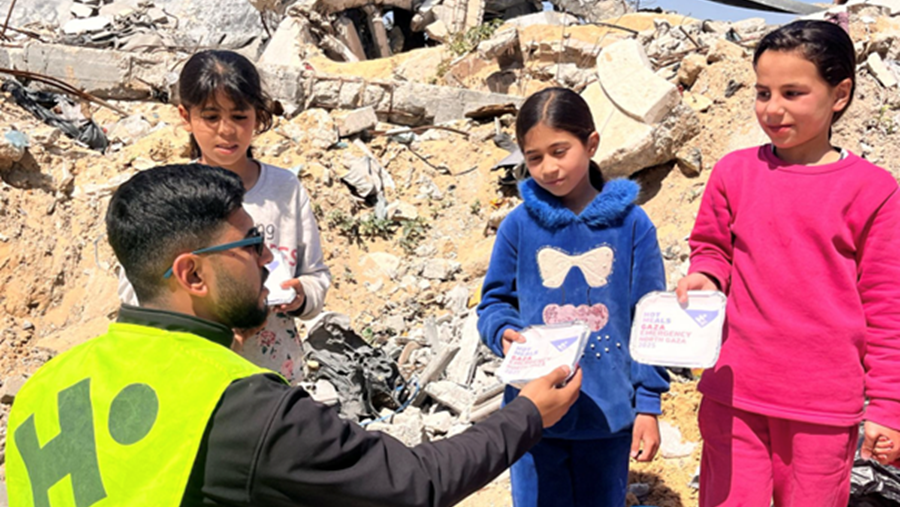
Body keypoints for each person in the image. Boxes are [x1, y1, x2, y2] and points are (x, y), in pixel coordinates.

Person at [5, 163, 583, 507]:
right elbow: (412, 485)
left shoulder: (44, 386)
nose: (268, 263)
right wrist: (526, 413)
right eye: (251, 247)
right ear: (192, 273)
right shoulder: (240, 405)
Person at [676, 20, 900, 507]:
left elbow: (886, 307)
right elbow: (711, 247)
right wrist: (706, 276)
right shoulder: (734, 174)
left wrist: (887, 406)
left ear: (839, 93)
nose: (772, 109)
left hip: (823, 408)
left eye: (793, 92)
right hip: (734, 395)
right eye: (762, 92)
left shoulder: (873, 191)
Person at [477, 87, 670, 507]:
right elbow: (493, 303)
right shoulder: (519, 226)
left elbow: (650, 319)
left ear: (592, 143)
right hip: (533, 416)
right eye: (534, 157)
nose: (548, 167)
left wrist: (648, 405)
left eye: (560, 151)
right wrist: (504, 332)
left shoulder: (633, 226)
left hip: (609, 417)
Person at [118, 49, 328, 383]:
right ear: (185, 116)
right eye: (211, 117)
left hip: (275, 371)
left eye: (240, 116)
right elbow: (137, 292)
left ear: (258, 116)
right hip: (197, 372)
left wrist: (302, 295)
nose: (227, 131)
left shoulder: (284, 190)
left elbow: (315, 275)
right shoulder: (171, 196)